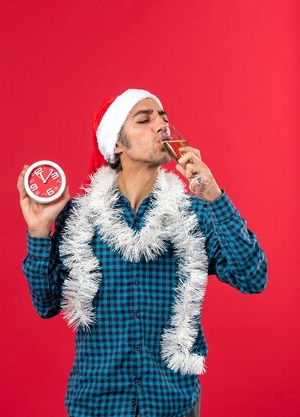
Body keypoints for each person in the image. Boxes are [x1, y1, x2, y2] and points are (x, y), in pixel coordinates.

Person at [17, 89, 267, 417]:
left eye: (163, 117)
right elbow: (47, 305)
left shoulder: (195, 210)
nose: (161, 124)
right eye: (144, 119)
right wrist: (38, 231)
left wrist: (212, 193)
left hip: (173, 403)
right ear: (117, 144)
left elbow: (253, 277)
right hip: (97, 404)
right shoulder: (80, 216)